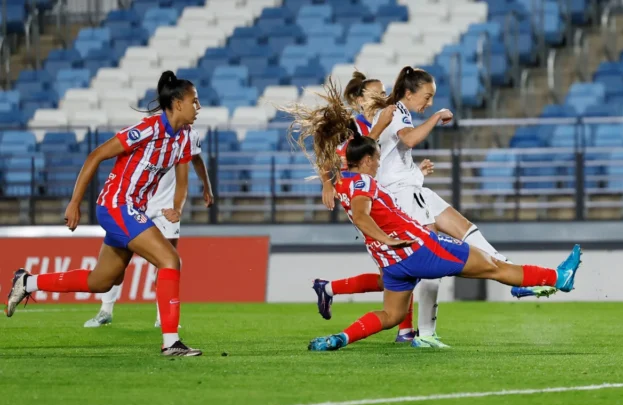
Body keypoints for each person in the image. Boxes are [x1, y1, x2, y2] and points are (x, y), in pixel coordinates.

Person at [285, 81, 582, 352]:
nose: (379, 162)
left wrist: (329, 181)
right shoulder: (362, 182)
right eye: (375, 158)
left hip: (392, 263)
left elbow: (339, 158)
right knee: (493, 266)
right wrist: (387, 236)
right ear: (362, 160)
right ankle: (558, 278)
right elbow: (363, 216)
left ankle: (339, 338)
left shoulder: (342, 179)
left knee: (391, 314)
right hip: (416, 246)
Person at [5, 71, 204, 357]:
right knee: (170, 259)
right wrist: (75, 202)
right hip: (117, 205)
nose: (198, 107)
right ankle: (171, 342)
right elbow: (95, 155)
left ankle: (27, 282)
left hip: (132, 208)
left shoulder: (184, 138)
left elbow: (187, 174)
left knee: (101, 281)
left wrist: (181, 204)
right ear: (176, 103)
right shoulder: (147, 129)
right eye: (194, 101)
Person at [308, 72, 432, 343]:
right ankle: (405, 330)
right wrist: (326, 185)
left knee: (391, 274)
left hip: (383, 198)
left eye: (384, 92)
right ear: (359, 99)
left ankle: (328, 289)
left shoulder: (379, 123)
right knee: (401, 265)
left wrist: (415, 172)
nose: (383, 97)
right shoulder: (355, 126)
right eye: (376, 93)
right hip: (365, 204)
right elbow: (332, 155)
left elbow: (385, 164)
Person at [84, 135, 214, 328]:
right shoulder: (150, 131)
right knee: (117, 264)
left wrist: (206, 186)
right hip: (134, 205)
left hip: (165, 208)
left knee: (168, 260)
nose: (196, 108)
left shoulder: (188, 135)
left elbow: (196, 160)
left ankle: (163, 318)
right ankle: (106, 310)